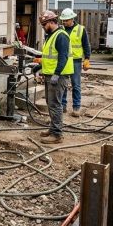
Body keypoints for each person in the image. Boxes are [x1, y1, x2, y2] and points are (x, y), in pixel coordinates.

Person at [38, 11, 74, 144]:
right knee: (50, 103)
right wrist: (39, 67)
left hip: (58, 77)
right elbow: (49, 57)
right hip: (50, 75)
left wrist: (57, 74)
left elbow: (63, 57)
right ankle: (53, 129)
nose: (43, 27)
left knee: (55, 104)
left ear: (51, 22)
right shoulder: (51, 35)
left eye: (44, 24)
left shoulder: (61, 36)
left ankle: (57, 134)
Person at [59, 8, 91, 117]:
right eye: (63, 20)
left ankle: (76, 107)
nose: (64, 22)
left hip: (76, 61)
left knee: (76, 85)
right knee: (63, 84)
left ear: (72, 19)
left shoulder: (80, 29)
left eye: (66, 20)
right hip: (64, 60)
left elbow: (86, 45)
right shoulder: (60, 29)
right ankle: (63, 106)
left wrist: (87, 58)